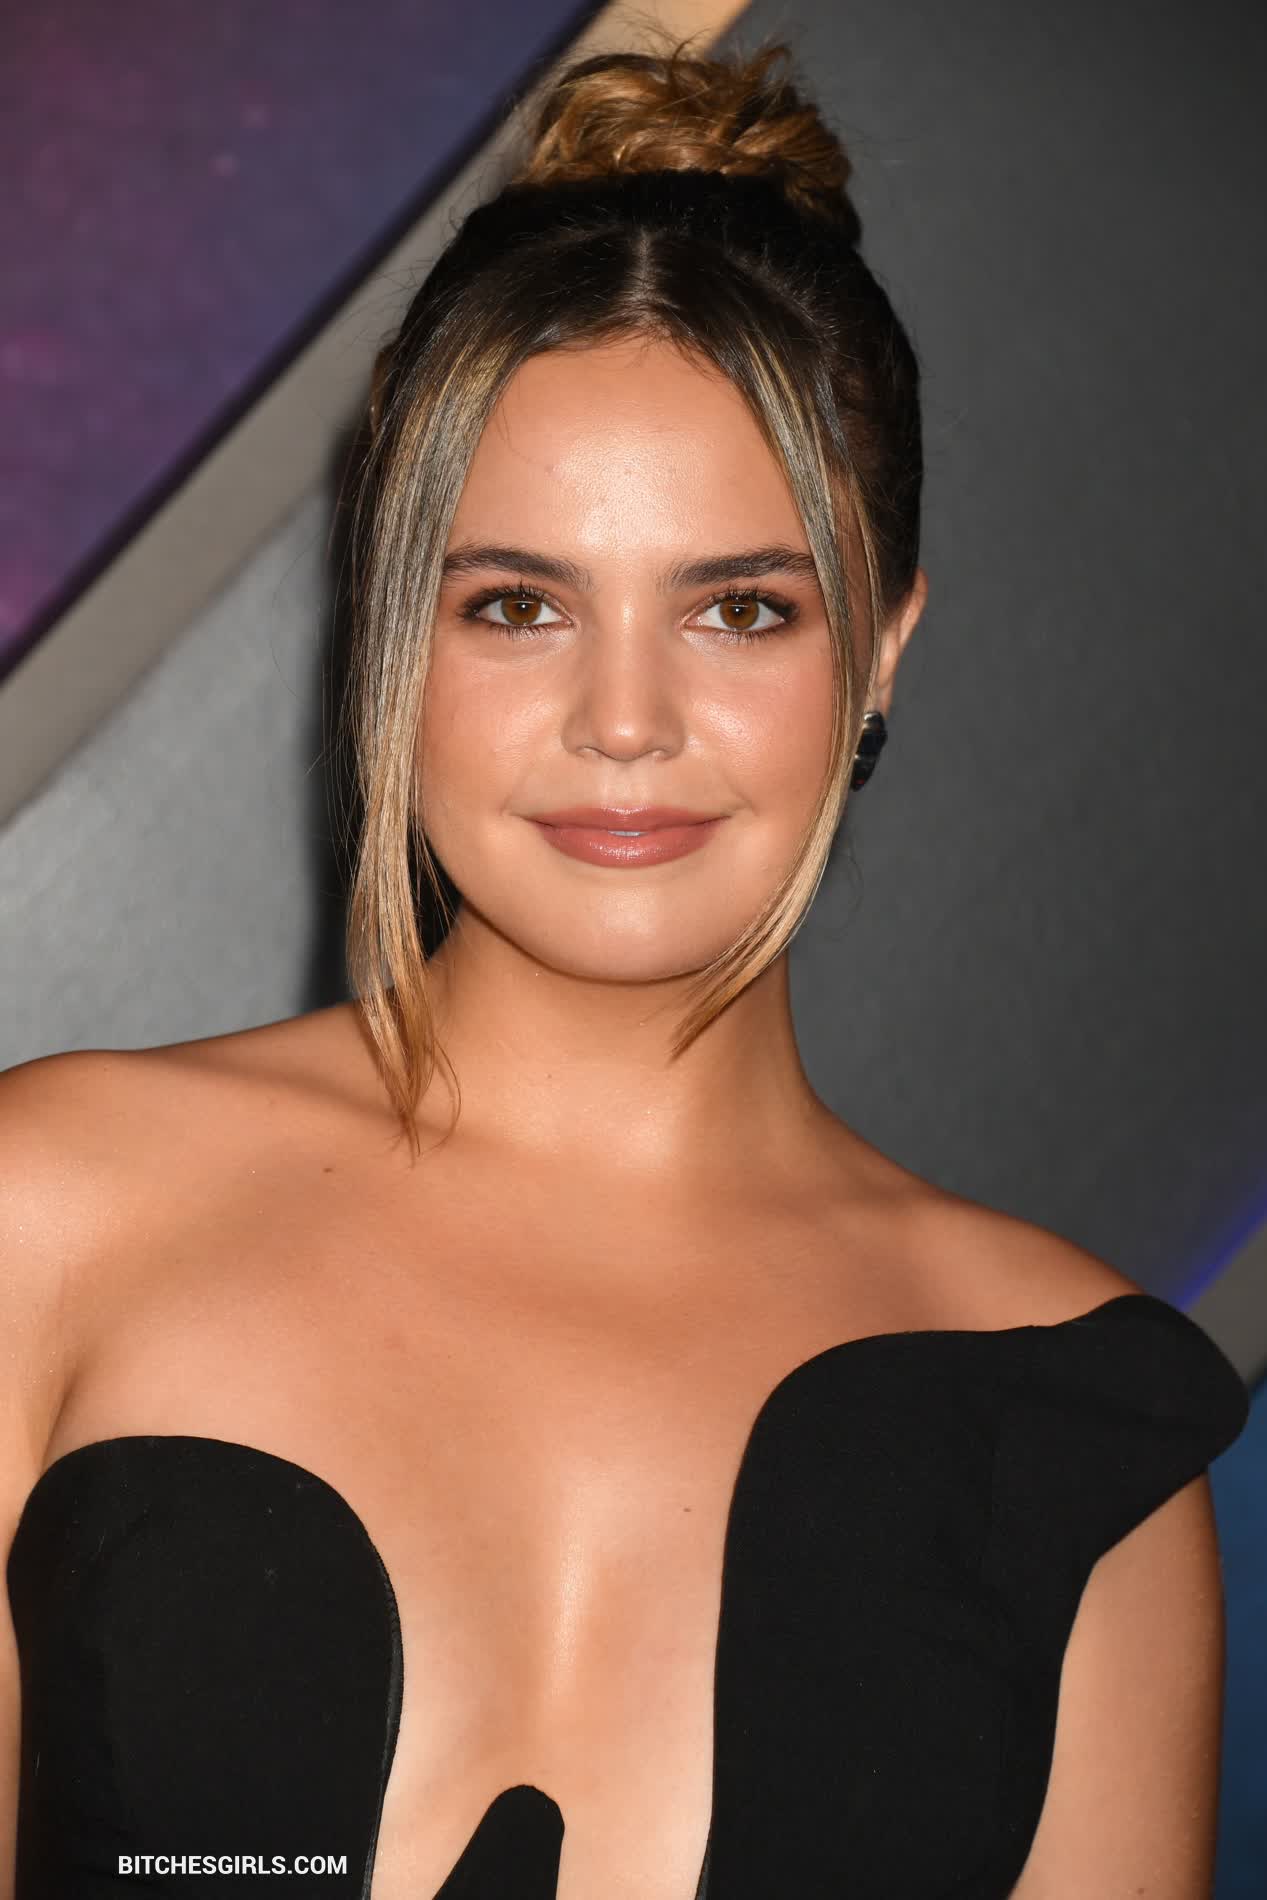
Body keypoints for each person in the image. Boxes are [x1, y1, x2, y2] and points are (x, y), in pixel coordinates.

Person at [0, 37, 1250, 1900]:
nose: (625, 722)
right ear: (392, 630)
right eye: (518, 605)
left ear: (882, 647)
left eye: (740, 608)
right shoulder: (45, 1223)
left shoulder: (1075, 1429)